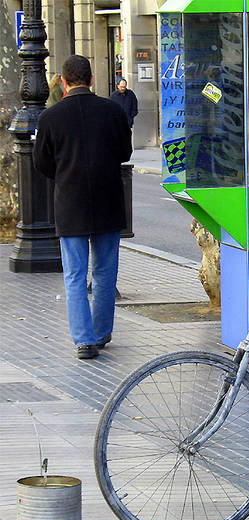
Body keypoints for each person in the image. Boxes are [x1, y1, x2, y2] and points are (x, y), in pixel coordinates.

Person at [33, 54, 132, 359]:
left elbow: (42, 163)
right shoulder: (112, 111)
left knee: (74, 275)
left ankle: (83, 340)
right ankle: (102, 331)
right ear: (91, 80)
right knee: (105, 272)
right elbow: (124, 152)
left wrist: (65, 174)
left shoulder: (50, 118)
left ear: (63, 82)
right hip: (107, 200)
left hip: (70, 202)